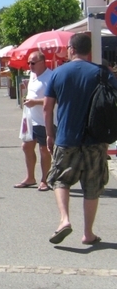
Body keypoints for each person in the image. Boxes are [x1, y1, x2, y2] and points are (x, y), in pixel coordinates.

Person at [43, 33, 117, 245]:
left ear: (71, 49)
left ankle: (64, 219)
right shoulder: (102, 73)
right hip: (96, 140)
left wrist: (50, 133)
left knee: (60, 179)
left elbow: (48, 107)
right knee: (92, 186)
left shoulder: (58, 73)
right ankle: (88, 233)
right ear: (89, 51)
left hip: (66, 138)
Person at [14, 51, 52, 192]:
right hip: (30, 119)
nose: (30, 65)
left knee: (44, 150)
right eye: (29, 62)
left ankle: (45, 180)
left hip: (44, 120)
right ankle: (30, 177)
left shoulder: (50, 77)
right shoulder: (32, 75)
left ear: (43, 62)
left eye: (33, 63)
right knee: (26, 147)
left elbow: (55, 100)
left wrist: (35, 101)